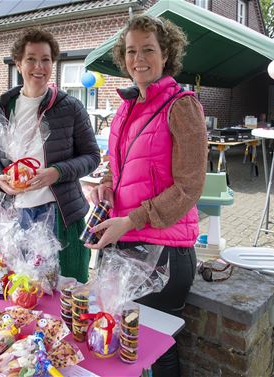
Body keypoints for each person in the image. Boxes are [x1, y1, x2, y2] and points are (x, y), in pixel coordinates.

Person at [87, 15, 207, 377]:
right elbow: (119, 168)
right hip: (122, 242)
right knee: (122, 340)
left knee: (154, 348)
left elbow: (189, 187)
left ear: (166, 54)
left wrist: (133, 219)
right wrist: (106, 187)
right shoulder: (126, 107)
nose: (139, 58)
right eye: (131, 51)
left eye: (148, 49)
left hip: (163, 253)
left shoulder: (182, 106)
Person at [0, 28, 100, 283]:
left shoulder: (70, 107)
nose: (39, 66)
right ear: (18, 63)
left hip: (61, 214)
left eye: (46, 59)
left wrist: (56, 173)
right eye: (31, 59)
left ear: (53, 63)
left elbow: (92, 156)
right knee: (25, 287)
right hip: (17, 215)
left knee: (66, 287)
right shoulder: (3, 108)